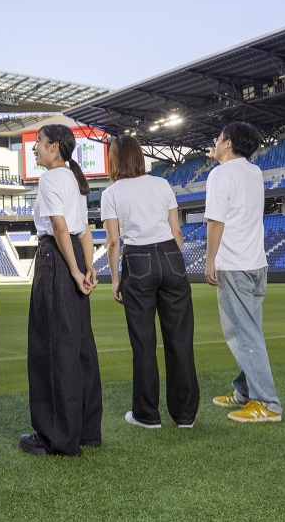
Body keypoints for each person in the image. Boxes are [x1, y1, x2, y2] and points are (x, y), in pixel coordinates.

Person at [102, 135, 199, 429]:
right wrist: (171, 260)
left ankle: (147, 415)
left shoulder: (111, 193)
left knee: (144, 343)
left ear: (115, 159)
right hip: (171, 256)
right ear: (139, 157)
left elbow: (113, 242)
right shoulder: (161, 184)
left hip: (138, 261)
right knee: (180, 339)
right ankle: (185, 415)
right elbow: (177, 231)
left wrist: (116, 279)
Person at [19, 124, 102, 456]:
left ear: (55, 147)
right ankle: (87, 431)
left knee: (51, 345)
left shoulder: (51, 179)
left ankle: (56, 436)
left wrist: (74, 271)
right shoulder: (76, 180)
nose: (35, 147)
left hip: (55, 259)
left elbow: (59, 227)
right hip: (75, 257)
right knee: (80, 345)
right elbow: (84, 231)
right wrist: (87, 267)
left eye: (39, 142)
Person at [204, 121, 282, 423]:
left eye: (219, 138)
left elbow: (216, 221)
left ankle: (268, 403)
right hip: (256, 263)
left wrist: (210, 261)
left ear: (228, 143)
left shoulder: (220, 175)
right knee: (251, 330)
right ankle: (245, 390)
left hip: (234, 265)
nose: (215, 141)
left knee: (242, 335)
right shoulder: (254, 172)